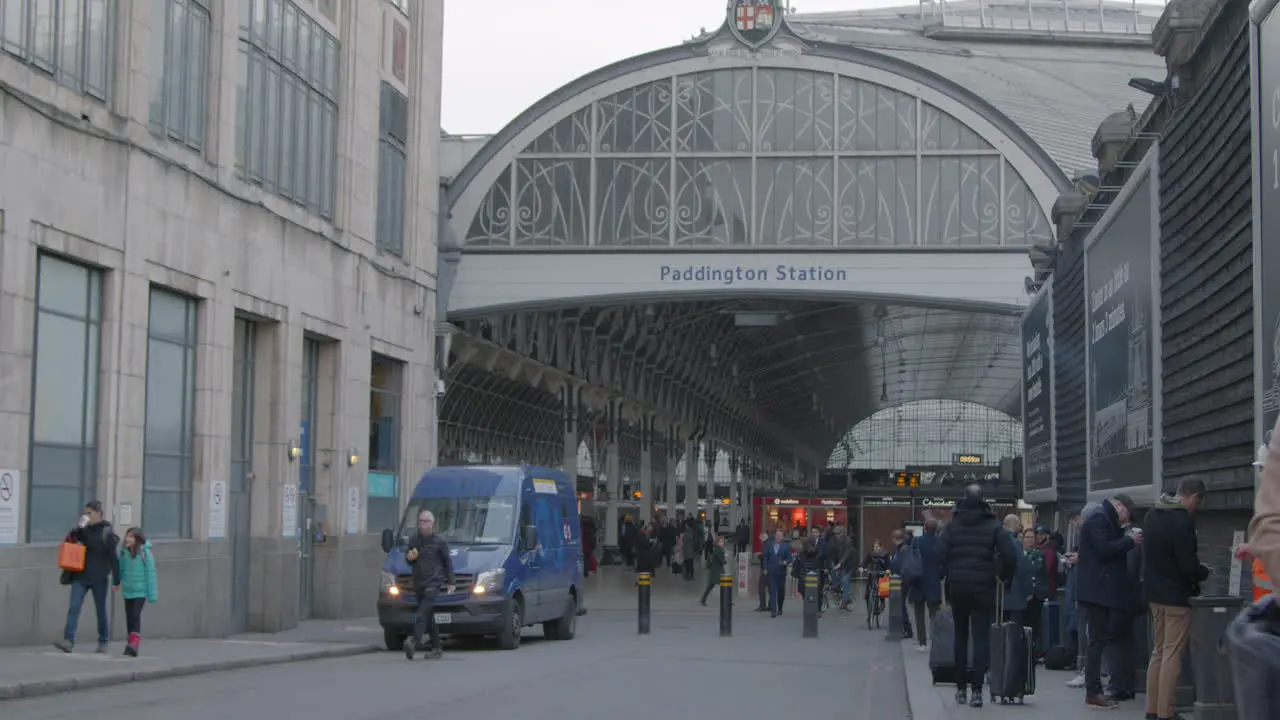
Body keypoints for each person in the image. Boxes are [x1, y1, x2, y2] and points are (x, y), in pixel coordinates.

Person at [936, 484, 1018, 708]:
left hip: (958, 586)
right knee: (981, 637)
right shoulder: (993, 525)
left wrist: (950, 570)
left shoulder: (952, 526)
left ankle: (960, 689)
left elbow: (939, 554)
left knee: (960, 636)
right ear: (983, 501)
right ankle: (977, 691)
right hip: (984, 587)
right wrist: (1002, 576)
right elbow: (1010, 555)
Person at [1142, 477, 1210, 720]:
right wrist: (1203, 571)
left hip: (1153, 595)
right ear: (1194, 497)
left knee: (1158, 651)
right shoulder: (1182, 521)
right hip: (1176, 597)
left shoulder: (1152, 515)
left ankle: (1151, 709)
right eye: (1197, 503)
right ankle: (1166, 712)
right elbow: (1187, 566)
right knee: (1172, 653)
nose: (1196, 509)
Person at [1077, 494, 1142, 709]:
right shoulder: (1099, 519)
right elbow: (1105, 549)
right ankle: (1093, 690)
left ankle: (1094, 690)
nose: (1125, 520)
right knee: (1097, 640)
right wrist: (1129, 541)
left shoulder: (1103, 519)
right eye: (1126, 516)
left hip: (1100, 590)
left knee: (1099, 639)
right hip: (1098, 591)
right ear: (1119, 506)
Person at [54, 500, 120, 654]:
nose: (86, 516)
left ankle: (103, 640)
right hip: (80, 575)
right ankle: (68, 640)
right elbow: (69, 542)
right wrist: (77, 529)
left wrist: (117, 579)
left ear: (98, 513)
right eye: (85, 513)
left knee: (100, 610)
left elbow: (113, 557)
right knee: (74, 608)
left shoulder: (106, 531)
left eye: (89, 513)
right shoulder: (83, 530)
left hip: (99, 578)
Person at [403, 510, 456, 660]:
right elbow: (408, 559)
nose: (422, 524)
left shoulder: (439, 541)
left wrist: (451, 581)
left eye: (425, 521)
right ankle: (437, 648)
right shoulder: (414, 540)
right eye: (420, 521)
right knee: (428, 616)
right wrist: (410, 557)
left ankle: (414, 640)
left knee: (421, 612)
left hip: (434, 581)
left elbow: (448, 562)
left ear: (432, 524)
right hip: (419, 581)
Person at [117, 527, 158, 657]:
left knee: (135, 616)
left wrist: (152, 595)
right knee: (129, 618)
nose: (127, 539)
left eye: (131, 537)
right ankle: (130, 645)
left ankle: (134, 644)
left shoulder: (145, 554)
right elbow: (120, 570)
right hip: (128, 590)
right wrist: (116, 583)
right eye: (127, 536)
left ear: (137, 539)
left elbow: (151, 575)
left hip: (140, 592)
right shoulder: (124, 553)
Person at [909, 518, 943, 651]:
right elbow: (944, 562)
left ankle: (922, 642)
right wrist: (940, 575)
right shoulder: (940, 542)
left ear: (924, 527)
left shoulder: (917, 541)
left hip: (918, 581)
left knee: (919, 613)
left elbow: (911, 560)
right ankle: (935, 641)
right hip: (933, 582)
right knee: (934, 613)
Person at [1022, 527, 1049, 658]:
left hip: (1037, 595)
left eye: (1032, 537)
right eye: (1027, 537)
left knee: (1035, 625)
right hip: (1022, 596)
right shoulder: (1019, 554)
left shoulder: (1039, 554)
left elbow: (1040, 573)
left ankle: (1032, 652)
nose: (1029, 540)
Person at [763, 528, 793, 617]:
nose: (778, 537)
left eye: (780, 536)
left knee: (781, 591)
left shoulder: (786, 546)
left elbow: (790, 558)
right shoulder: (769, 545)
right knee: (772, 591)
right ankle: (773, 611)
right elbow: (765, 557)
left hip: (781, 572)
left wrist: (785, 562)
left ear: (783, 537)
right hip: (771, 571)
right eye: (777, 535)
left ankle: (780, 607)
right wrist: (765, 568)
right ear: (774, 536)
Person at [826, 525, 855, 612]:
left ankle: (845, 601)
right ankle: (838, 591)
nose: (837, 535)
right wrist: (830, 563)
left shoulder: (848, 541)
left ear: (843, 533)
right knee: (835, 580)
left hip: (847, 564)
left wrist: (840, 563)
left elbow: (847, 553)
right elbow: (830, 552)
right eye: (835, 534)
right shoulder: (833, 540)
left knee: (845, 580)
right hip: (836, 563)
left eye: (838, 533)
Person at [701, 535, 727, 605]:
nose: (722, 543)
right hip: (718, 571)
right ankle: (727, 600)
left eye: (722, 541)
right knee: (725, 585)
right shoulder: (720, 550)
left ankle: (703, 599)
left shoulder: (716, 549)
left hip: (714, 570)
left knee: (711, 586)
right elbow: (721, 560)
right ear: (717, 542)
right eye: (720, 542)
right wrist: (724, 561)